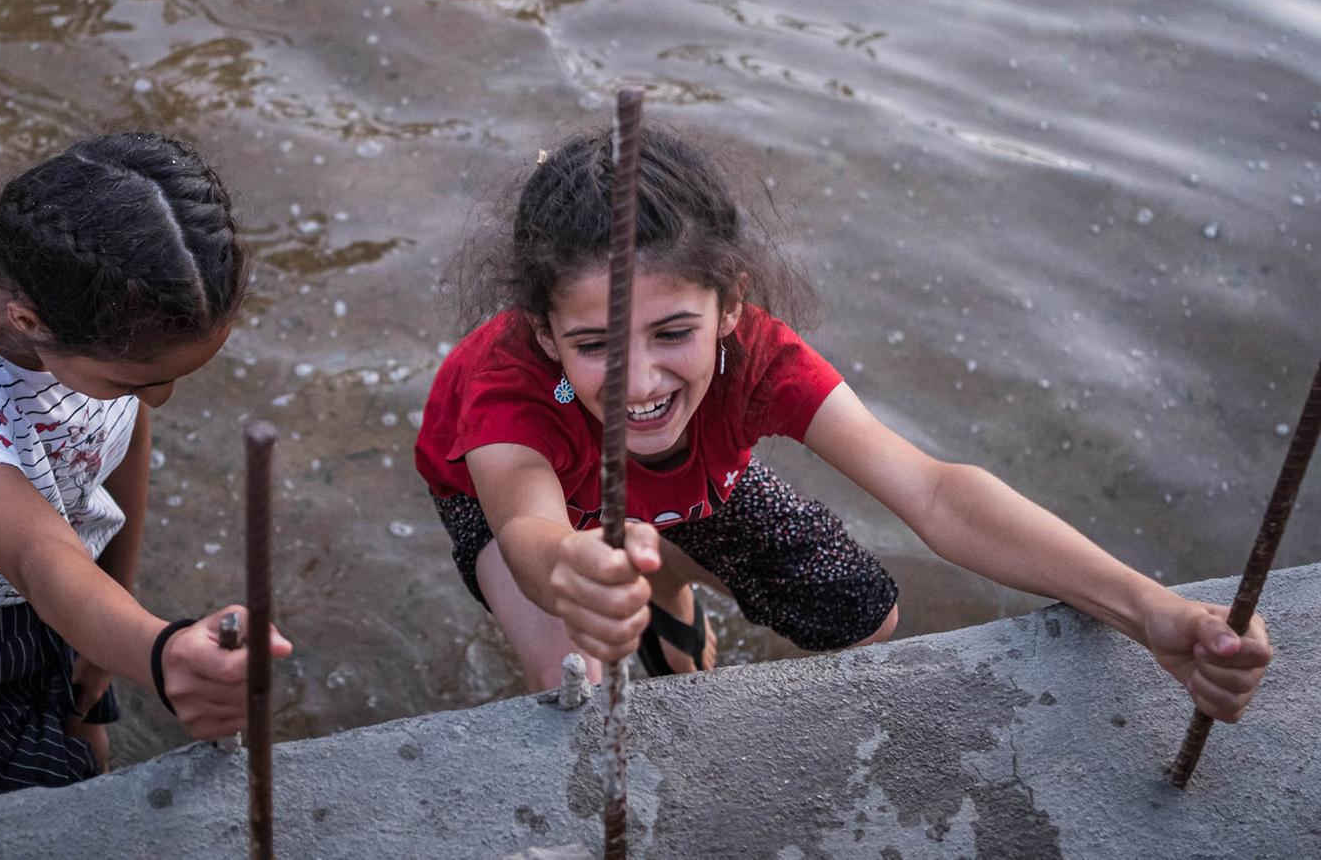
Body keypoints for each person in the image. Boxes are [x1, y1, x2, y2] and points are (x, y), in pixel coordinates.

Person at [414, 126, 1272, 725]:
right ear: (541, 333)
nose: (640, 380)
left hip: (684, 485)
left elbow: (934, 493)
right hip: (540, 513)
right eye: (595, 344)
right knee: (580, 683)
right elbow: (524, 522)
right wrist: (571, 568)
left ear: (731, 306)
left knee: (859, 613)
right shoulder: (507, 384)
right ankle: (649, 573)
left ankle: (663, 568)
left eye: (673, 331)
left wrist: (1149, 610)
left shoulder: (761, 361)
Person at [0, 132, 291, 808]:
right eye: (134, 382)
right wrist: (161, 651)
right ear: (28, 321)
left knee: (90, 749)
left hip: (83, 603)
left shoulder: (93, 347)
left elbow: (121, 446)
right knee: (41, 817)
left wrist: (113, 628)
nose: (156, 399)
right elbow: (37, 556)